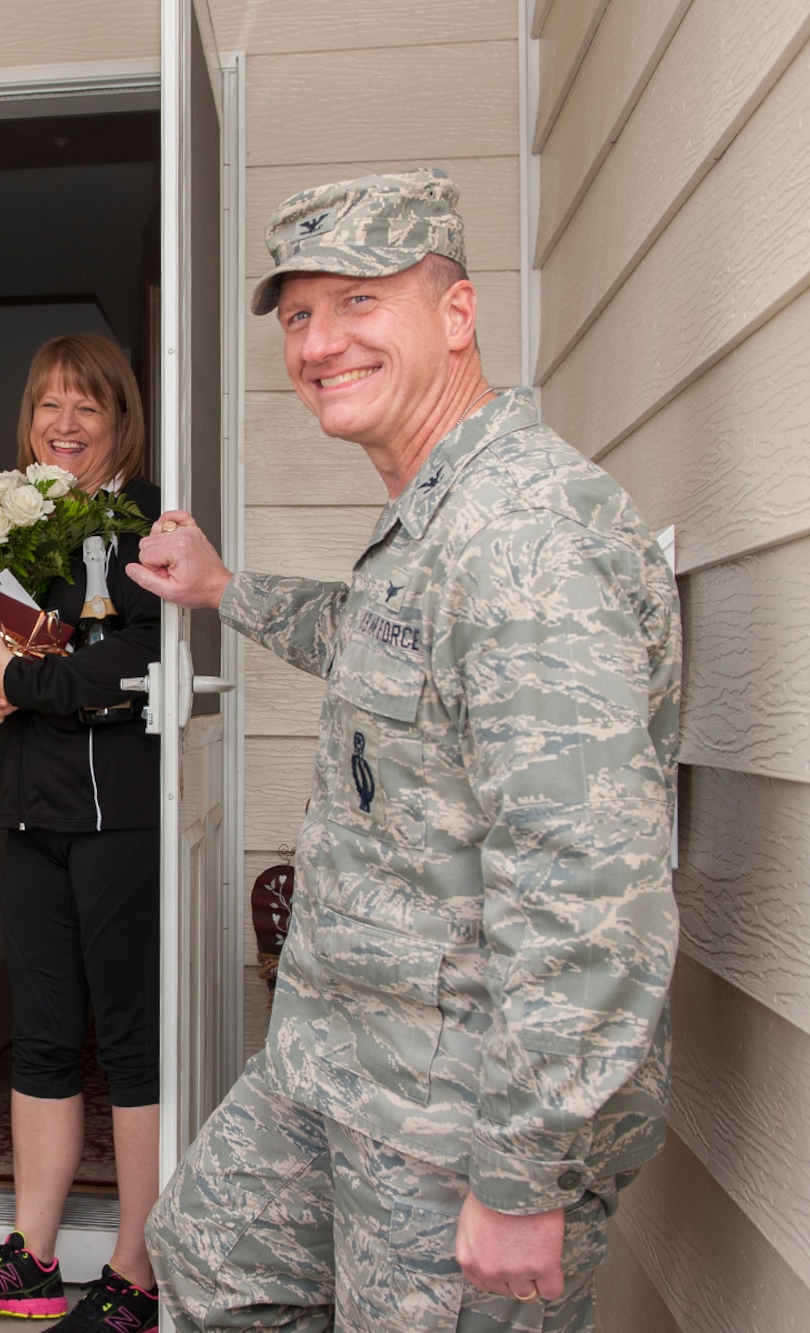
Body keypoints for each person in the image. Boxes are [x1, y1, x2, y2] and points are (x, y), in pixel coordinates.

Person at [131, 170, 680, 1330]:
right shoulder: (434, 516)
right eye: (297, 315)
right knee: (210, 1256)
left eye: (357, 301)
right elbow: (375, 639)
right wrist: (225, 589)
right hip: (337, 1052)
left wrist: (524, 1173)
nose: (320, 341)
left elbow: (586, 881)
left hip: (459, 1103)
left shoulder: (524, 534)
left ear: (455, 314)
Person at [0, 333, 164, 1332]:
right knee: (39, 1039)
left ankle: (137, 1275)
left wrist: (23, 683)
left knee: (131, 1045)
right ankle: (29, 1257)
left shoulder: (145, 520)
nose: (62, 427)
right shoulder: (5, 530)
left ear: (119, 424)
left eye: (86, 409)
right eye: (46, 408)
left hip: (119, 822)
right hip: (28, 812)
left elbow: (139, 657)